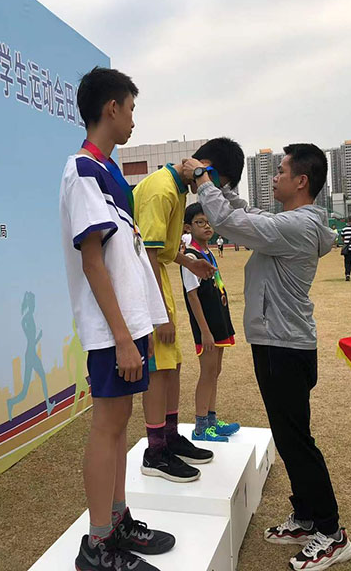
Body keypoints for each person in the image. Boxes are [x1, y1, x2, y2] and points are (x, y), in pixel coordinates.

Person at [184, 143, 351, 570]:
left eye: (281, 171)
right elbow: (248, 214)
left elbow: (230, 222)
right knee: (289, 434)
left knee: (297, 440)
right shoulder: (289, 222)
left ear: (301, 181)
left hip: (284, 346)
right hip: (277, 342)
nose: (274, 177)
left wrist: (203, 178)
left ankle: (332, 533)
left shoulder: (296, 225)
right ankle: (306, 516)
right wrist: (222, 187)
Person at [61, 66, 175, 571]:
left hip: (128, 326)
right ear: (112, 108)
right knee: (107, 426)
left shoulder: (108, 173)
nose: (132, 119)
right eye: (130, 109)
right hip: (113, 332)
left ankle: (117, 519)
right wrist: (123, 338)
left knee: (119, 423)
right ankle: (98, 543)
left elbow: (124, 258)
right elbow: (92, 261)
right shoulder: (83, 170)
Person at [133, 138, 242, 482]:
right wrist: (159, 315)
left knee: (173, 364)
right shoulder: (162, 190)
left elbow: (162, 250)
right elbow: (147, 254)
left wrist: (188, 262)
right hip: (144, 285)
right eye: (216, 181)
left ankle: (169, 437)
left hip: (157, 281)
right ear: (205, 168)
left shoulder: (177, 190)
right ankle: (155, 452)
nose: (212, 190)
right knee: (158, 368)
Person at [179, 203, 240, 443]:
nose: (206, 226)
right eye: (200, 222)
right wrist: (205, 331)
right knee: (207, 372)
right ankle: (201, 427)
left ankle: (212, 420)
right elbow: (192, 295)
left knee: (215, 371)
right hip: (206, 326)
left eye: (208, 222)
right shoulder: (190, 257)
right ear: (188, 227)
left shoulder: (208, 251)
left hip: (218, 319)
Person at [7, 291, 54, 420]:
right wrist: (39, 337)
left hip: (31, 353)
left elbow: (31, 340)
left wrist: (37, 338)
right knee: (26, 390)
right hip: (30, 354)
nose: (34, 305)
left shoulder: (28, 318)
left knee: (39, 380)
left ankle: (48, 404)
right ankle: (11, 403)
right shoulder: (27, 319)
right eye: (33, 302)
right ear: (30, 303)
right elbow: (30, 340)